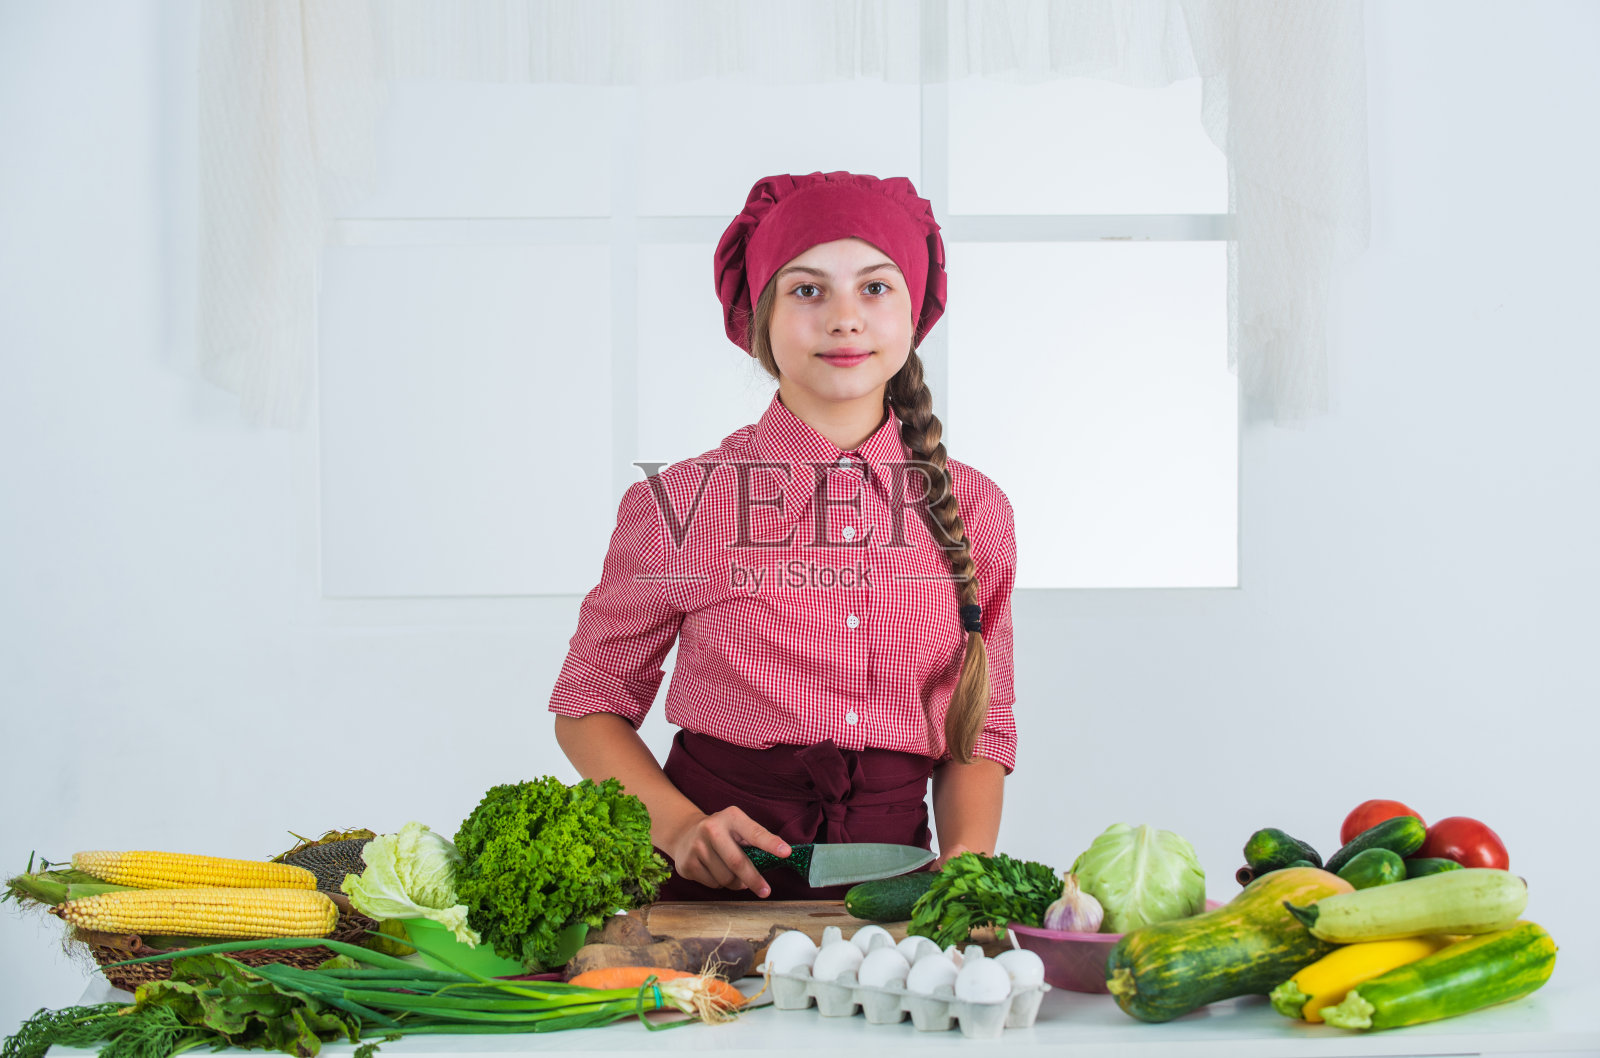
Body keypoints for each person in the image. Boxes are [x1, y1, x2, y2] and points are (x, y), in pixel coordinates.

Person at [551, 171, 1017, 901]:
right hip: (709, 890)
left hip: (900, 897)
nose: (844, 318)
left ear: (913, 312)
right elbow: (589, 702)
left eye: (874, 287)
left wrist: (966, 868)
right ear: (759, 316)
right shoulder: (682, 504)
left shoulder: (977, 509)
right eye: (807, 290)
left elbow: (979, 732)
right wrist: (675, 828)